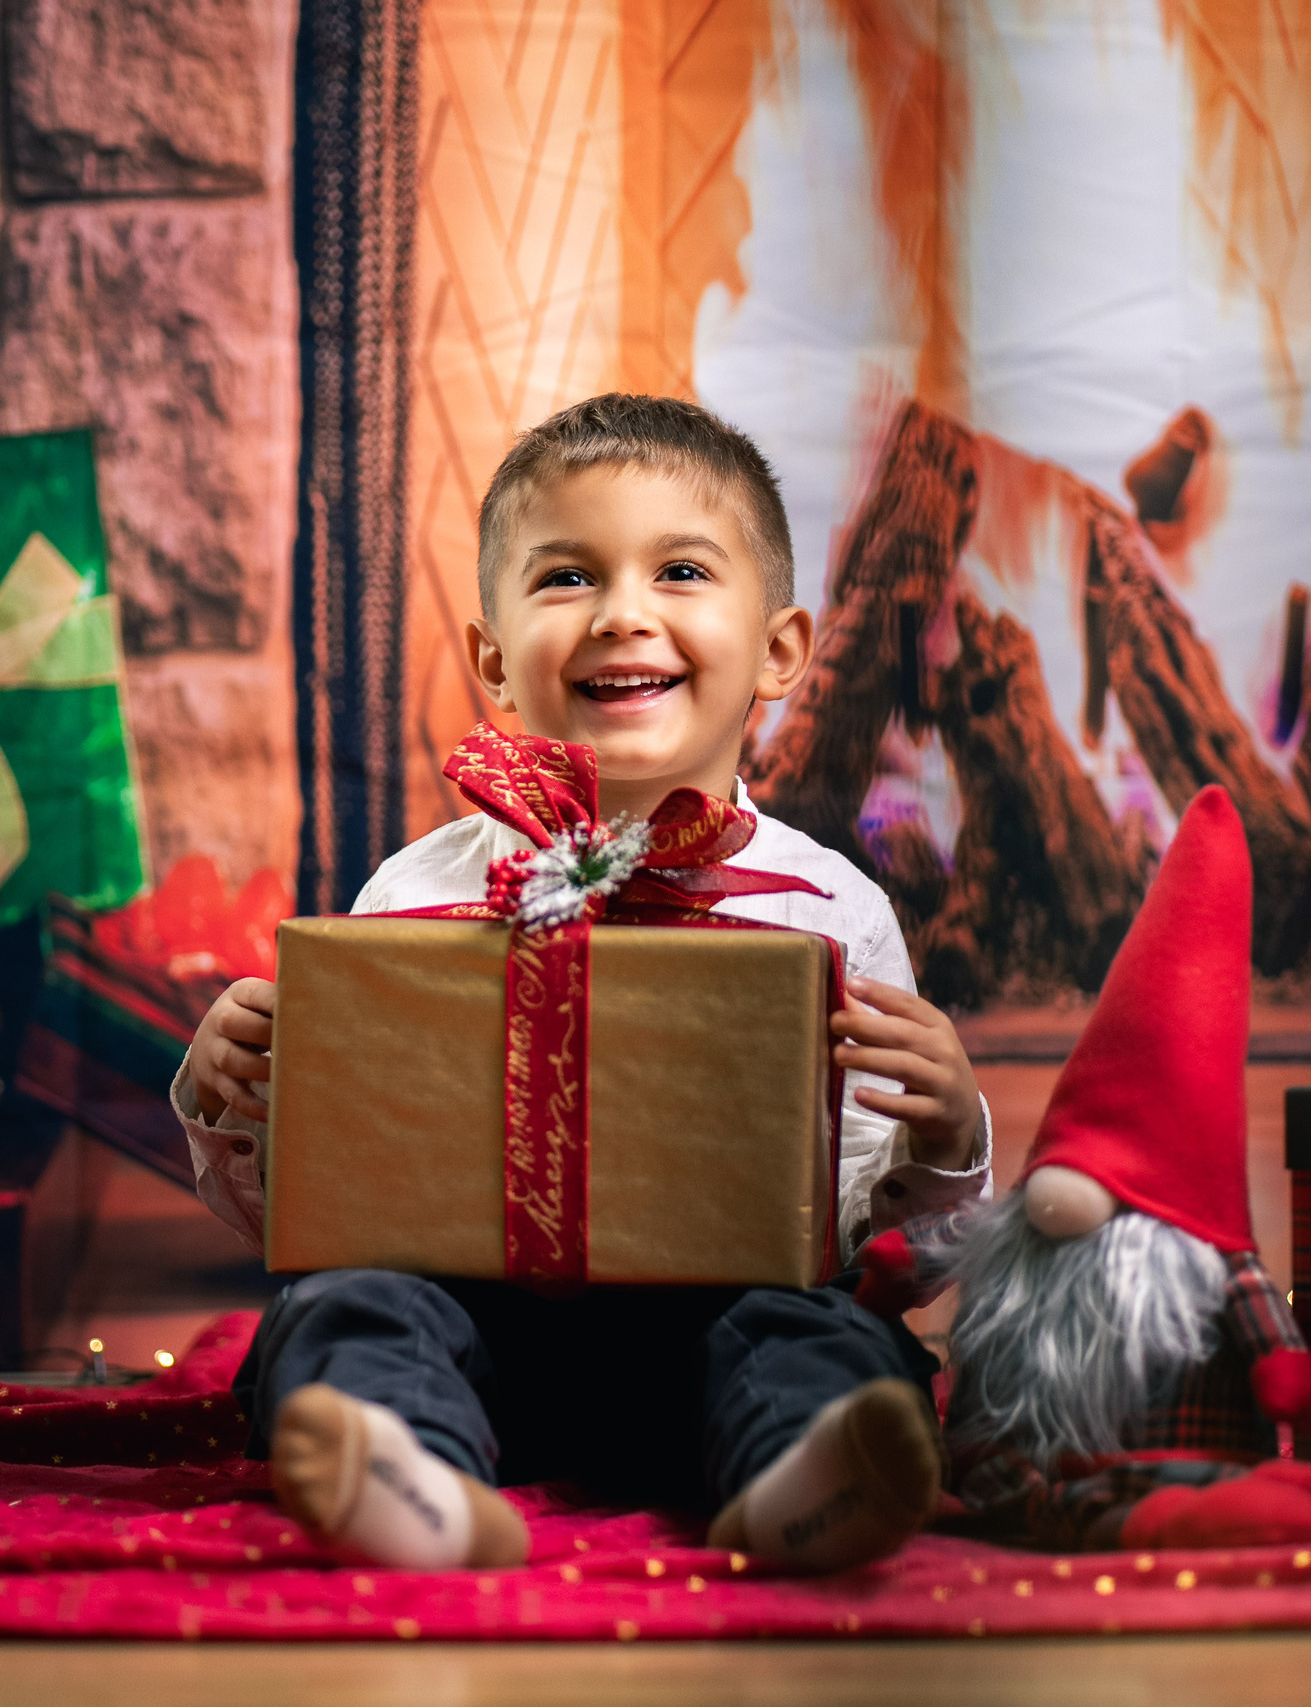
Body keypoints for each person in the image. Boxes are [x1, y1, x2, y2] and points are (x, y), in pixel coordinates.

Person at [170, 394, 992, 1572]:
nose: (620, 615)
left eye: (680, 571)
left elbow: (889, 1248)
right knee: (344, 1306)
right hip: (476, 1355)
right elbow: (320, 1218)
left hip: (717, 1352)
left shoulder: (833, 912)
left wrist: (948, 1132)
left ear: (778, 651)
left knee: (813, 1332)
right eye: (566, 578)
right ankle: (411, 1479)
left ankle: (803, 1480)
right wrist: (231, 1098)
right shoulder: (411, 892)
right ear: (494, 660)